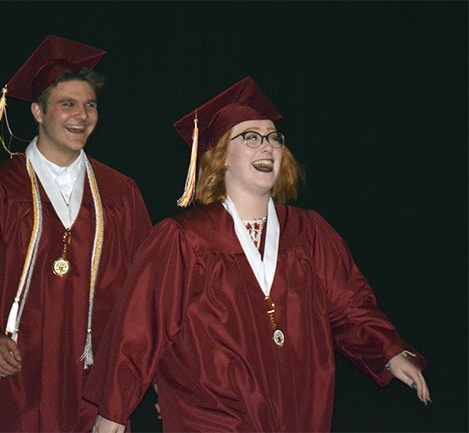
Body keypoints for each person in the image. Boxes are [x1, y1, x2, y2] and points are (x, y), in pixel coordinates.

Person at [84, 76, 430, 432]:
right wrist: (112, 412)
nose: (267, 147)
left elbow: (350, 305)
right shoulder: (184, 240)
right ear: (220, 157)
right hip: (213, 414)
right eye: (251, 138)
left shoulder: (309, 233)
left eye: (273, 138)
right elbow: (140, 330)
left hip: (300, 410)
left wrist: (389, 351)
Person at [0, 35, 152, 432]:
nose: (82, 116)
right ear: (37, 110)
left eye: (90, 105)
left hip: (92, 385)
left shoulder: (120, 193)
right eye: (68, 104)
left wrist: (126, 386)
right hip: (15, 381)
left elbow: (146, 294)